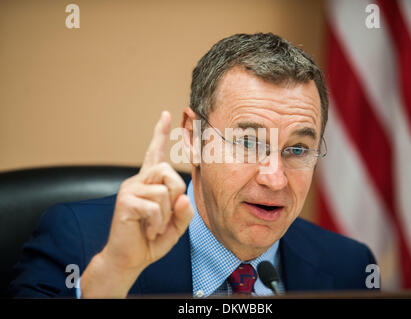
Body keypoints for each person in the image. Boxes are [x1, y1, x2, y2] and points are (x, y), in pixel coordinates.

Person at [8, 33, 378, 298]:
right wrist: (114, 275)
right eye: (248, 143)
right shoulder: (81, 241)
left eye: (297, 149)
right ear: (192, 138)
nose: (275, 178)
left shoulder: (349, 266)